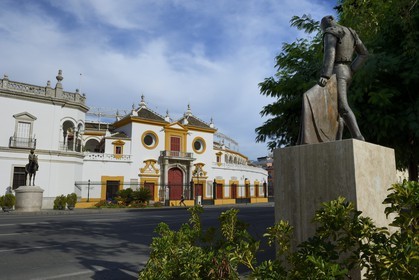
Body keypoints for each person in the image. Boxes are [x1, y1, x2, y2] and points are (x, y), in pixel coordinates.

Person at [318, 15, 368, 141]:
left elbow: (330, 53)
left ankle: (358, 136)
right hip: (347, 72)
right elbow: (364, 54)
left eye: (322, 27)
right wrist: (352, 70)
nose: (323, 30)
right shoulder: (351, 32)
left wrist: (325, 75)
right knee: (337, 110)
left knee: (342, 107)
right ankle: (337, 139)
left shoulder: (331, 32)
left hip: (336, 72)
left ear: (327, 24)